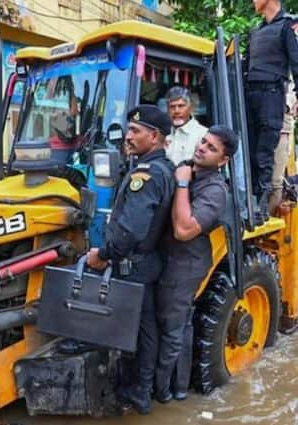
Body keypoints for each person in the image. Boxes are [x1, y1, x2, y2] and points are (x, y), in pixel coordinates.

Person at [85, 105, 175, 415]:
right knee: (145, 329)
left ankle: (133, 392)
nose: (128, 135)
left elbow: (131, 229)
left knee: (129, 331)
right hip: (146, 263)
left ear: (155, 136)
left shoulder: (146, 174)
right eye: (129, 129)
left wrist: (103, 255)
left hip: (132, 265)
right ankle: (142, 392)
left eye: (136, 131)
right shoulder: (161, 168)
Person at [153, 126, 237, 404]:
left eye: (212, 148)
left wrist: (181, 183)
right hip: (172, 258)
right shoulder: (189, 170)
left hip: (186, 263)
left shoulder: (215, 190)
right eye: (203, 142)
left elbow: (184, 229)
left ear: (223, 160)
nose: (202, 148)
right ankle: (177, 387)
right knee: (180, 324)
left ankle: (162, 393)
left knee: (172, 328)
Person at [245, 0, 298, 219]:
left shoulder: (289, 25)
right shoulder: (257, 31)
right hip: (250, 94)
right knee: (250, 150)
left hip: (271, 95)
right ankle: (249, 200)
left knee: (264, 153)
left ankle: (260, 206)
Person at [269, 81, 297, 215]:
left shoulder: (289, 86)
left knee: (275, 182)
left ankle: (268, 217)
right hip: (262, 130)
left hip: (280, 134)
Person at [165, 86, 207, 165]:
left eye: (181, 106)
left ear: (190, 108)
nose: (176, 111)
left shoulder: (203, 135)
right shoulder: (162, 134)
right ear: (167, 110)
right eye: (172, 107)